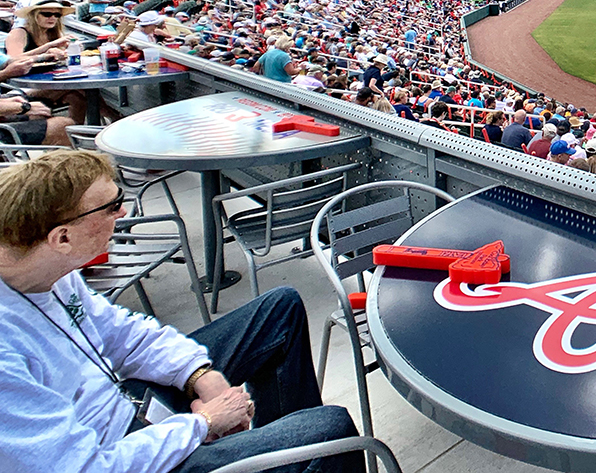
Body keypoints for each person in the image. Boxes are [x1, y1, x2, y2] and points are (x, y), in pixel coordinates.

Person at [0, 149, 361, 473]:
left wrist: (199, 375)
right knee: (331, 431)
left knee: (279, 309)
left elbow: (126, 336)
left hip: (128, 404)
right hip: (120, 456)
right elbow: (81, 466)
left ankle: (273, 457)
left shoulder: (51, 272)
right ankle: (288, 455)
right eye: (111, 206)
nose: (123, 212)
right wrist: (204, 423)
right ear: (62, 238)